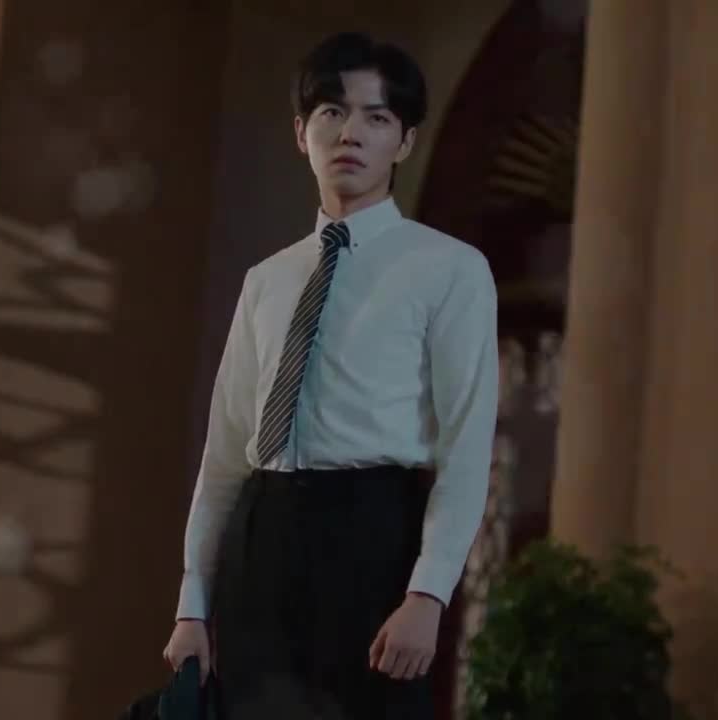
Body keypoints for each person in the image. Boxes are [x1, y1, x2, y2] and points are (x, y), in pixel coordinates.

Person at [161, 31, 498, 719]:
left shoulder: (449, 269)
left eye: (377, 117)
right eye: (332, 112)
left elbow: (466, 449)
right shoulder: (267, 280)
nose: (351, 133)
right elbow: (224, 457)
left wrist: (428, 594)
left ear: (404, 142)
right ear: (301, 132)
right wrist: (192, 605)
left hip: (372, 537)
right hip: (264, 535)